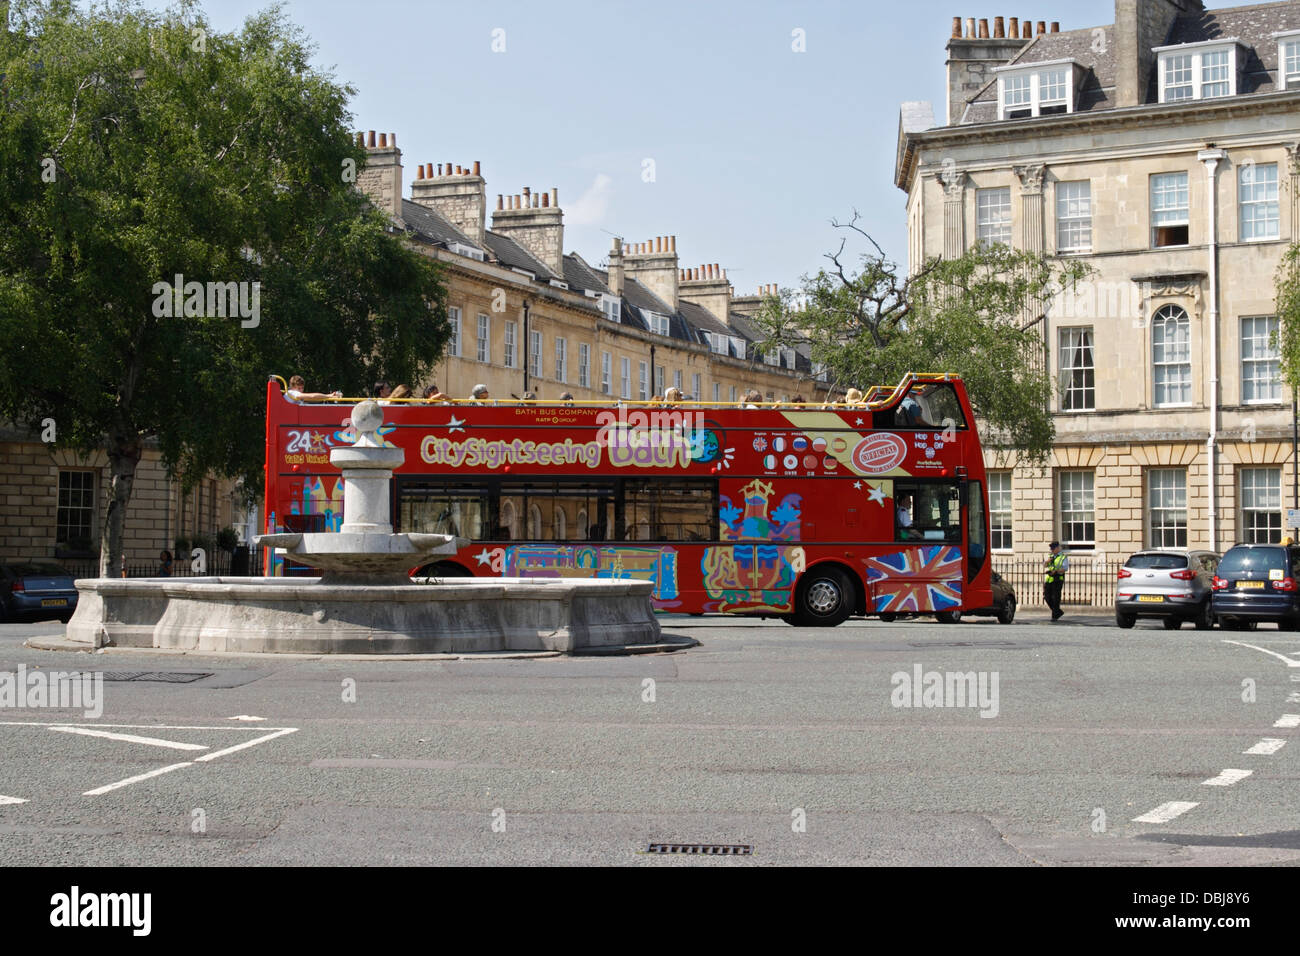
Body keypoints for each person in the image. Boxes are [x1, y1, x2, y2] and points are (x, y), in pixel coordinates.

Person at [1044, 540, 1069, 621]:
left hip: (1058, 579)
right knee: (1047, 597)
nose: (1051, 550)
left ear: (1058, 548)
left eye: (1053, 548)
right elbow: (1044, 565)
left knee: (1056, 598)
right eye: (1051, 548)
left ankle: (1054, 616)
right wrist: (1048, 561)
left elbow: (1065, 568)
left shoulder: (1063, 557)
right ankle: (1058, 612)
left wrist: (1056, 571)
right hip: (1049, 579)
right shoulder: (1050, 556)